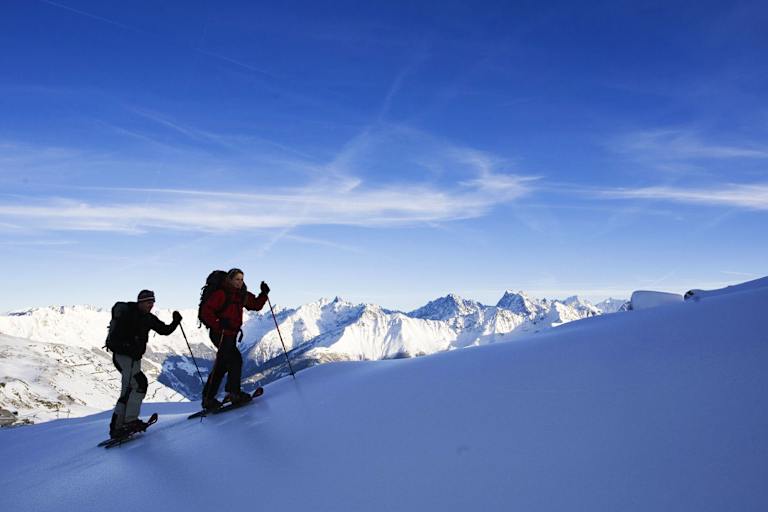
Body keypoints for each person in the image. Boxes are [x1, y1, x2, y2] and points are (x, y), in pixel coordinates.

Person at [107, 289, 182, 438]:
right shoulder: (128, 315)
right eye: (148, 302)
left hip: (133, 358)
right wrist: (129, 348)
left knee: (134, 387)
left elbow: (164, 330)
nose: (151, 305)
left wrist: (175, 322)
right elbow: (115, 340)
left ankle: (121, 425)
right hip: (124, 357)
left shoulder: (147, 317)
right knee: (137, 385)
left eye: (152, 302)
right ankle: (125, 423)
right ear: (140, 302)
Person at [199, 268, 270, 410]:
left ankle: (209, 398)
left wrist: (264, 294)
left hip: (231, 334)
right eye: (237, 279)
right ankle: (234, 393)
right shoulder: (221, 293)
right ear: (229, 279)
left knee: (222, 364)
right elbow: (205, 312)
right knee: (235, 360)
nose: (240, 282)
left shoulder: (241, 294)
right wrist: (218, 324)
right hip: (220, 333)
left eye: (242, 279)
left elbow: (255, 305)